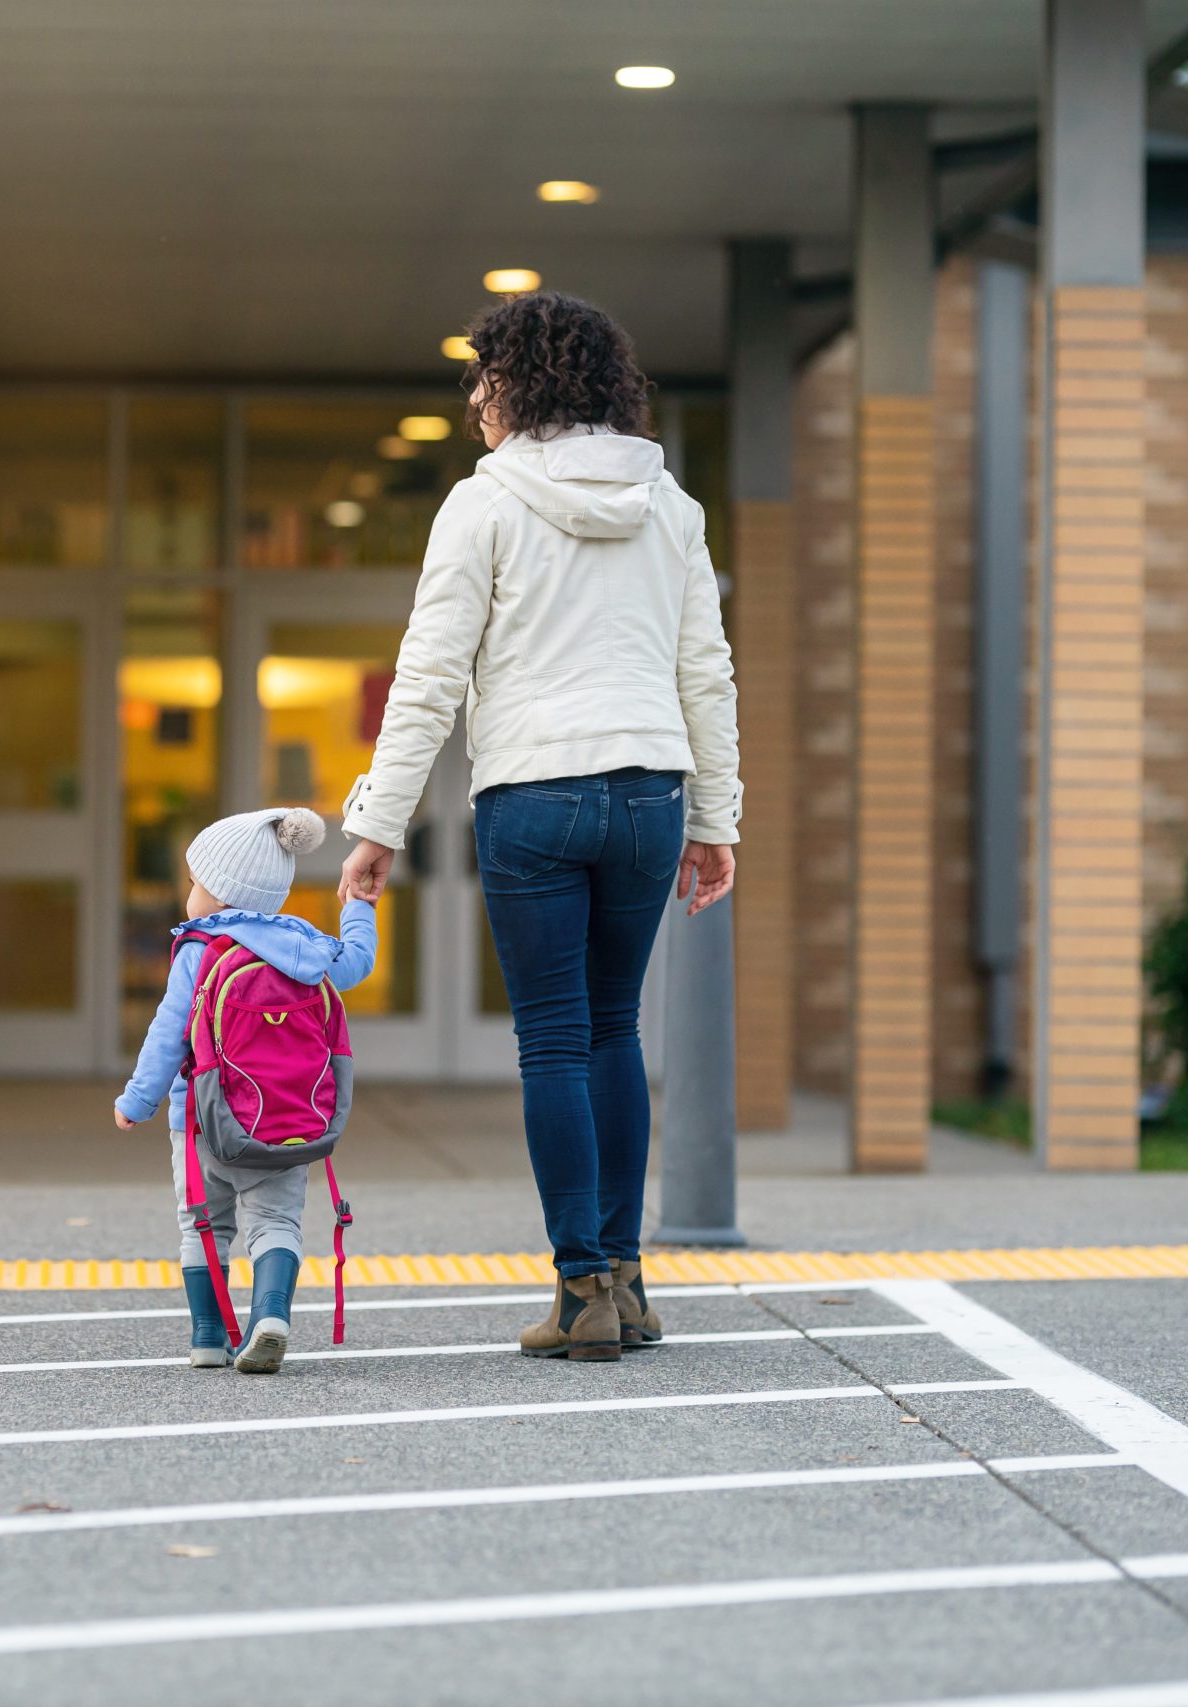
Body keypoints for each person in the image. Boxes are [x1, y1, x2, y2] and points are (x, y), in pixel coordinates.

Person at [337, 290, 742, 1364]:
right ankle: (627, 1280)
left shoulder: (483, 504)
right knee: (614, 1030)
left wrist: (379, 823)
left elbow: (427, 676)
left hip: (534, 796)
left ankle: (578, 1293)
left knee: (554, 1040)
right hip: (650, 792)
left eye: (482, 377)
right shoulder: (673, 508)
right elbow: (705, 673)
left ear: (519, 382)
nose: (473, 398)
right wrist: (715, 817)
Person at [115, 807, 377, 1373]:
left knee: (204, 1224)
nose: (190, 893)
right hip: (288, 1119)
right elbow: (356, 963)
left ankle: (210, 1337)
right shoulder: (302, 946)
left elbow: (168, 1033)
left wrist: (136, 1099)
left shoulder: (198, 951)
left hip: (201, 1121)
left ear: (219, 892)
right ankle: (271, 1317)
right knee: (276, 1223)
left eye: (194, 882)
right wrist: (359, 909)